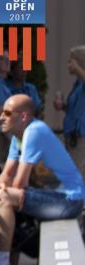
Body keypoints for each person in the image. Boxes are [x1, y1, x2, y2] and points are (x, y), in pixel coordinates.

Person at [0, 94, 85, 265]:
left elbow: (20, 182)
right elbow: (7, 174)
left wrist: (2, 190)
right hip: (50, 195)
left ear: (24, 117)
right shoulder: (17, 136)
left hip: (68, 200)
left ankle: (2, 263)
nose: (1, 116)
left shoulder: (34, 131)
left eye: (7, 112)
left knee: (5, 196)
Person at [54, 45, 85, 180]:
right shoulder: (78, 83)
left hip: (81, 136)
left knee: (79, 174)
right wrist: (63, 106)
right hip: (72, 136)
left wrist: (78, 69)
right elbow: (76, 109)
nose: (68, 64)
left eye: (70, 61)